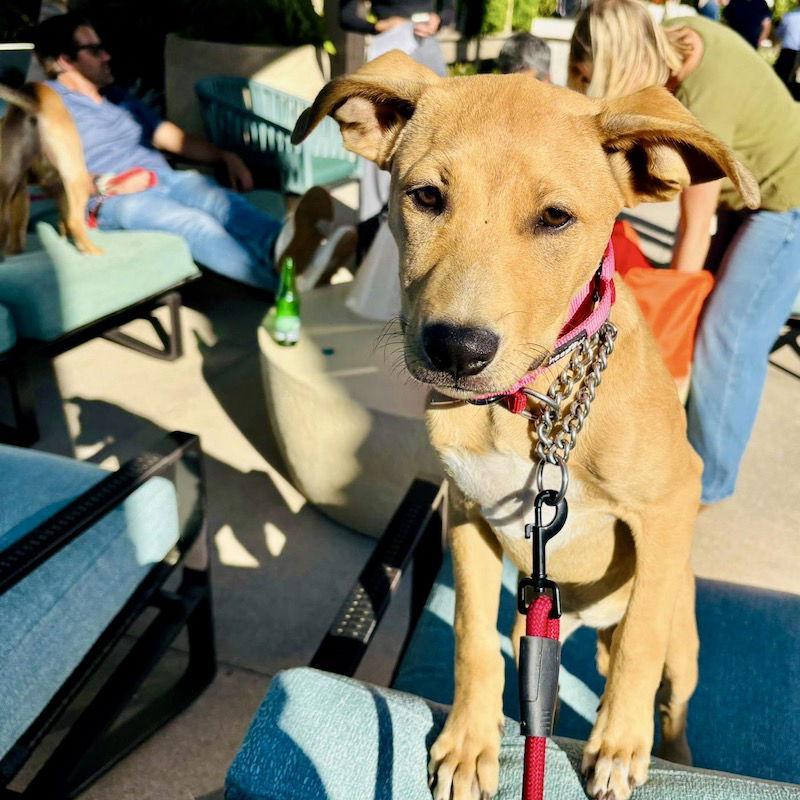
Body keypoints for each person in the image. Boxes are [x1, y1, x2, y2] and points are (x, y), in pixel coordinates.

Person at [568, 0, 800, 505]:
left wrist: (668, 328)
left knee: (726, 335)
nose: (587, 89)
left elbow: (695, 230)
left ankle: (701, 487)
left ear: (620, 65)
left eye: (591, 78)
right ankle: (680, 446)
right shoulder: (671, 39)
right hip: (748, 195)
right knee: (702, 316)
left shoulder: (702, 100)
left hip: (788, 201)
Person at [32, 13, 355, 293]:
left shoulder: (117, 97)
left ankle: (291, 251)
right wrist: (106, 184)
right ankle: (293, 289)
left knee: (218, 200)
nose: (106, 56)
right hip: (111, 198)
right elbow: (47, 170)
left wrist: (222, 155)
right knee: (194, 223)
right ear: (65, 60)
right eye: (94, 50)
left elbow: (171, 137)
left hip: (163, 178)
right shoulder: (49, 104)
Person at [774, 7, 800, 99]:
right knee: (790, 77)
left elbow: (779, 34)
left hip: (787, 51)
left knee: (779, 76)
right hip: (796, 52)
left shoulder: (789, 15)